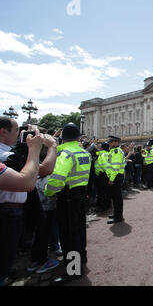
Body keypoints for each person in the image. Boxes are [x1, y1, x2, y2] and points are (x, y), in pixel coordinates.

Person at [0, 118, 46, 286]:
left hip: (15, 211)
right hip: (7, 212)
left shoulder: (11, 153)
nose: (19, 134)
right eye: (16, 130)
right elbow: (28, 182)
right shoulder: (7, 155)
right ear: (3, 132)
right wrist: (35, 150)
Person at [44, 123, 91, 285]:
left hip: (67, 197)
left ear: (63, 138)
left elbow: (57, 179)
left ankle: (73, 270)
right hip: (80, 195)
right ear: (78, 138)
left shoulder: (65, 154)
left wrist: (49, 192)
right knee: (79, 230)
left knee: (68, 235)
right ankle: (81, 257)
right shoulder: (84, 153)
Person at [105, 136, 125, 224]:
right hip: (116, 176)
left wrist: (111, 179)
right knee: (115, 197)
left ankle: (118, 216)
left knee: (117, 198)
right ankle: (116, 213)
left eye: (111, 142)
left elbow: (115, 167)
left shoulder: (116, 152)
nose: (109, 143)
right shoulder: (113, 151)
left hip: (116, 177)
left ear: (116, 142)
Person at [94, 142, 111, 213]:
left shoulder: (103, 155)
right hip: (104, 175)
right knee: (106, 191)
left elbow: (106, 166)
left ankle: (103, 207)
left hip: (102, 175)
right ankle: (107, 205)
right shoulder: (106, 154)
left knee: (102, 192)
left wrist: (109, 176)